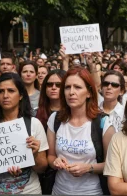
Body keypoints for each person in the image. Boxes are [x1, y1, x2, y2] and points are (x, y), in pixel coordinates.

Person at [46, 67, 115, 195]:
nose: (71, 92)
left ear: (89, 93)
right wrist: (55, 162)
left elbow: (111, 165)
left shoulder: (103, 123)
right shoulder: (55, 119)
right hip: (59, 190)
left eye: (77, 87)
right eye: (67, 87)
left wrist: (88, 168)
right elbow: (50, 156)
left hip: (91, 191)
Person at [0, 73, 48, 194]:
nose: (5, 95)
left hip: (29, 191)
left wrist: (33, 155)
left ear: (21, 95)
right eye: (1, 91)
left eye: (11, 91)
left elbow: (42, 168)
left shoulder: (34, 124)